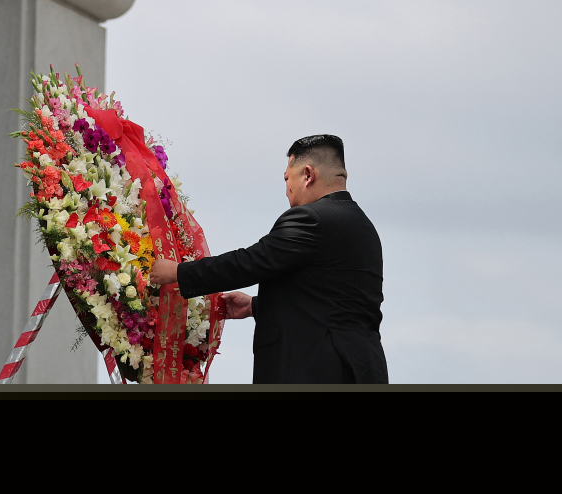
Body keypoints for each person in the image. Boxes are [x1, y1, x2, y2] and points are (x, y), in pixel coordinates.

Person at [149, 134, 387, 384]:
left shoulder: (311, 219)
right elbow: (332, 301)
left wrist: (179, 272)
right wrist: (255, 306)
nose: (286, 190)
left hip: (316, 368)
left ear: (308, 175)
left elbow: (250, 262)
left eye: (287, 178)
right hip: (363, 369)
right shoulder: (364, 227)